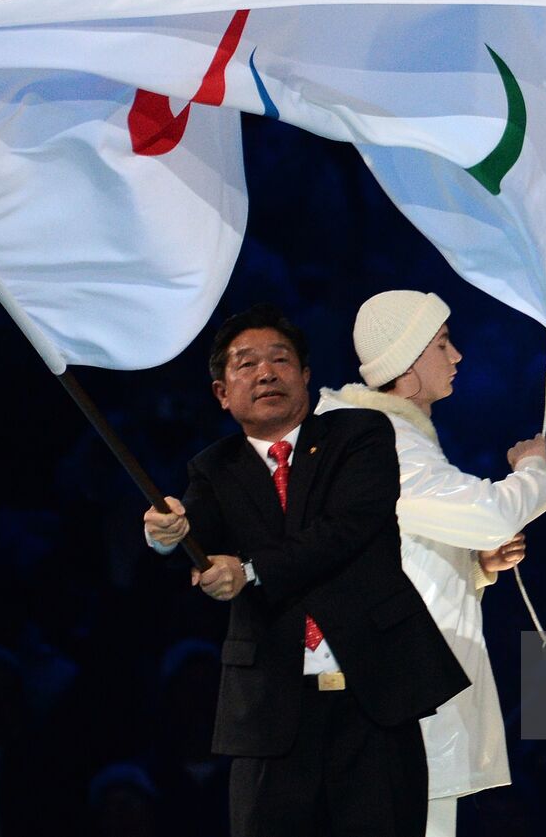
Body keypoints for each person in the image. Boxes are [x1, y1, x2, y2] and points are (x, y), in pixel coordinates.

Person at [142, 303, 469, 837]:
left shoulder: (360, 435)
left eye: (280, 359)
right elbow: (190, 530)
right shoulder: (212, 468)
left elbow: (346, 529)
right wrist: (164, 534)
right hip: (271, 709)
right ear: (222, 393)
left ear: (306, 377)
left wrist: (248, 570)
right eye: (246, 364)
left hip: (373, 697)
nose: (266, 372)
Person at [314, 290, 546, 837]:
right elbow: (491, 512)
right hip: (402, 694)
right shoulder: (385, 442)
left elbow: (405, 554)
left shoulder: (391, 438)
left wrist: (476, 564)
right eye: (443, 344)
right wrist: (533, 470)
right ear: (406, 361)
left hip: (410, 687)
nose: (457, 357)